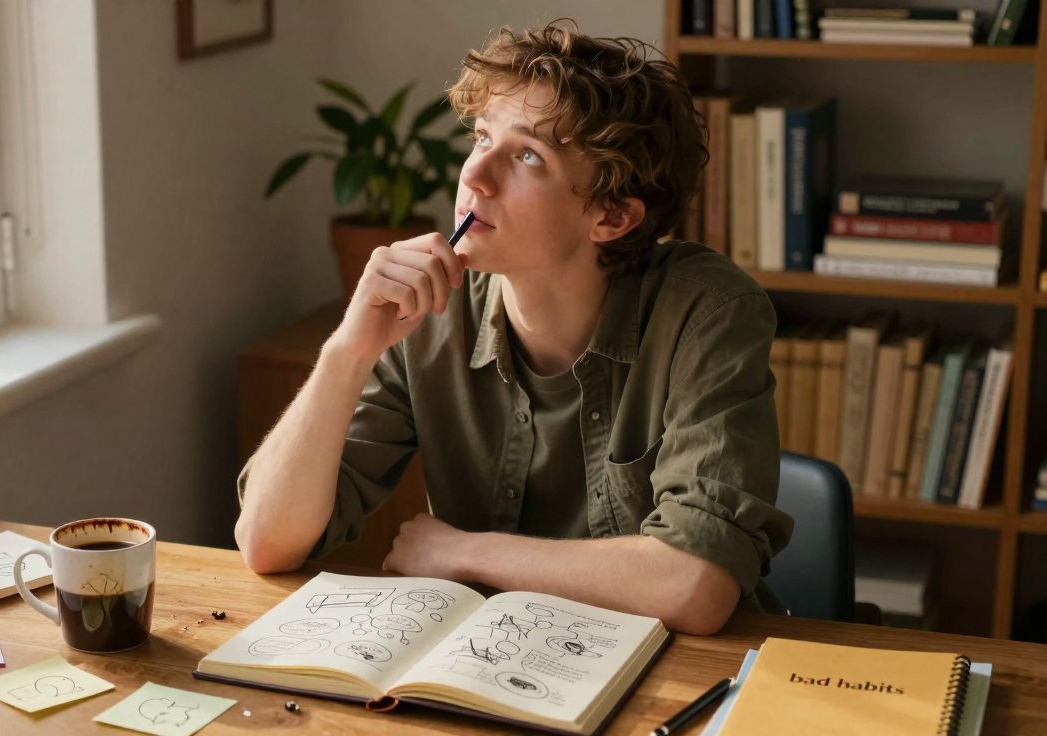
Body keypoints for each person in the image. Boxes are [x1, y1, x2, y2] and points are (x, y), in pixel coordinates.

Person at [235, 21, 793, 636]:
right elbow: (267, 542)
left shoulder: (709, 311)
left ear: (611, 215)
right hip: (494, 664)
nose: (475, 175)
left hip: (677, 679)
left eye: (527, 155)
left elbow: (695, 585)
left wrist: (462, 552)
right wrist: (347, 351)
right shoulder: (430, 314)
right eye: (481, 137)